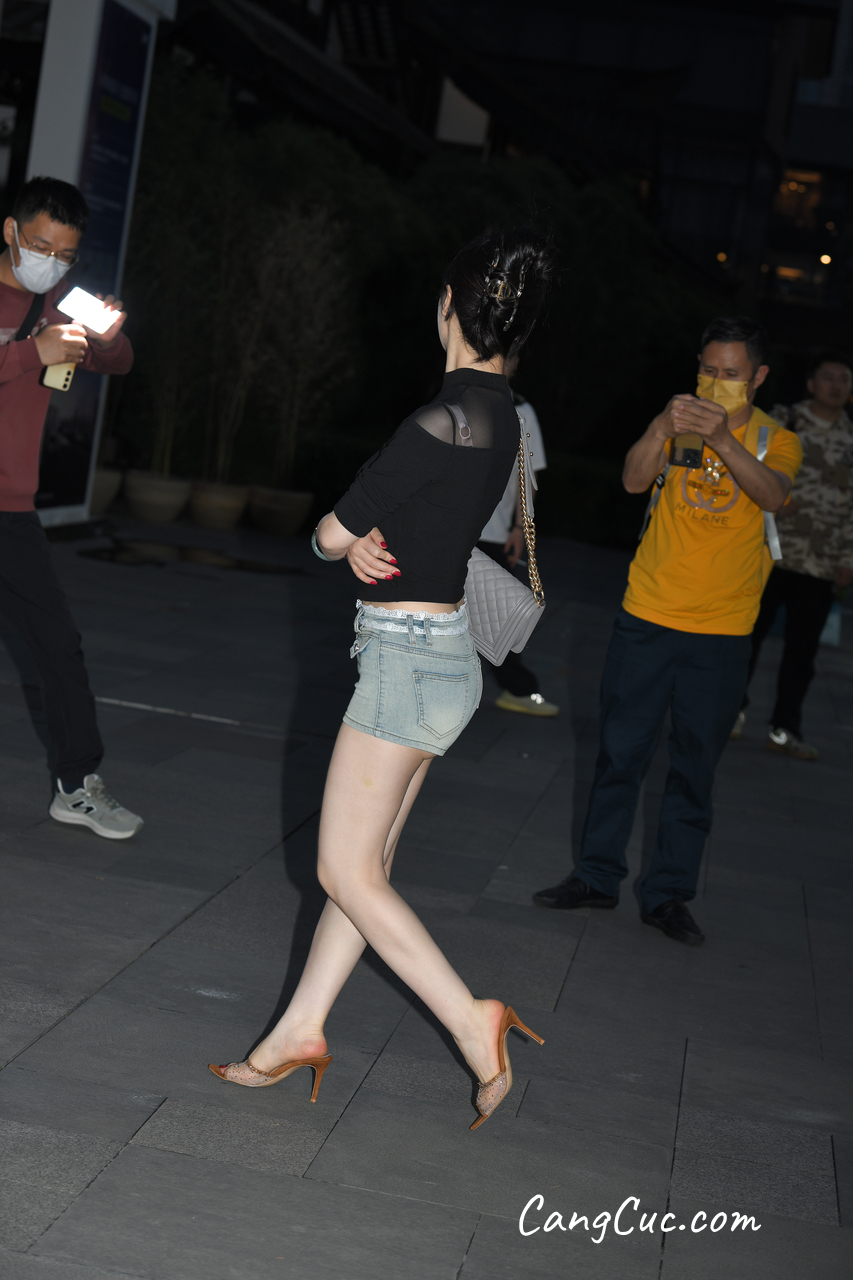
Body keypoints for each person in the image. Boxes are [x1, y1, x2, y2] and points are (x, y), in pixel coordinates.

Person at [209, 229, 553, 1127]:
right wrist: (369, 536)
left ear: (447, 307)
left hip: (403, 660)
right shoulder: (507, 418)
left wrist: (346, 537)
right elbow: (435, 519)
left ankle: (471, 1020)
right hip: (448, 658)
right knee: (370, 866)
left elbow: (328, 534)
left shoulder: (438, 419)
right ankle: (299, 1029)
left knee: (343, 868)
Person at [532, 316, 802, 944]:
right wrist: (661, 427)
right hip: (647, 616)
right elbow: (633, 480)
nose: (715, 381)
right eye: (707, 369)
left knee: (693, 767)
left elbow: (774, 497)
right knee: (619, 754)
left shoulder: (776, 439)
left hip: (723, 632)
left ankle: (668, 894)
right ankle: (596, 876)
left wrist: (723, 439)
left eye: (730, 373)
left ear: (758, 377)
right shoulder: (674, 422)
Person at [0, 176, 142, 839]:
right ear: (11, 231)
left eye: (64, 254)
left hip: (11, 510)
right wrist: (33, 351)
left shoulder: (62, 301)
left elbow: (121, 360)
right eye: (39, 246)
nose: (50, 263)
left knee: (59, 645)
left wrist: (106, 336)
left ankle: (77, 786)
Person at [731, 352, 853, 760]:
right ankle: (733, 712)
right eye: (828, 377)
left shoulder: (851, 438)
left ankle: (785, 729)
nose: (836, 385)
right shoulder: (784, 420)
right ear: (812, 383)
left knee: (802, 654)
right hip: (770, 549)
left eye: (844, 379)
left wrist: (848, 557)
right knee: (748, 636)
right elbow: (749, 467)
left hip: (820, 561)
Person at [478, 361, 559, 716]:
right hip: (450, 528)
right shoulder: (456, 397)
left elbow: (526, 476)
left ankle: (518, 688)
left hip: (493, 532)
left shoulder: (520, 410)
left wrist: (519, 528)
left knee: (498, 616)